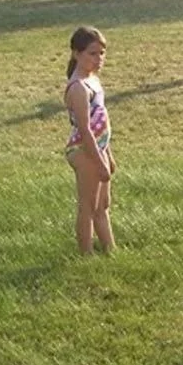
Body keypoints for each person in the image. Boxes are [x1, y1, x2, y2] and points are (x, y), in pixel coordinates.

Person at [63, 27, 115, 255]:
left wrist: (109, 155)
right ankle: (86, 255)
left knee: (103, 205)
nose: (99, 59)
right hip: (84, 150)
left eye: (102, 53)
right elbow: (85, 130)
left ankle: (110, 250)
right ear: (76, 53)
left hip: (98, 148)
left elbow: (100, 123)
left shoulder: (93, 80)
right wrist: (99, 162)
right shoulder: (78, 88)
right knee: (88, 206)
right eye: (92, 54)